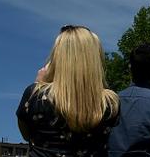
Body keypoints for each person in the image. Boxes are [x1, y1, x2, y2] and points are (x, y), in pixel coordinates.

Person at [17, 25, 121, 157]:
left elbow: (27, 135)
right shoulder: (110, 103)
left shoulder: (36, 95)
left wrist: (40, 84)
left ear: (58, 57)